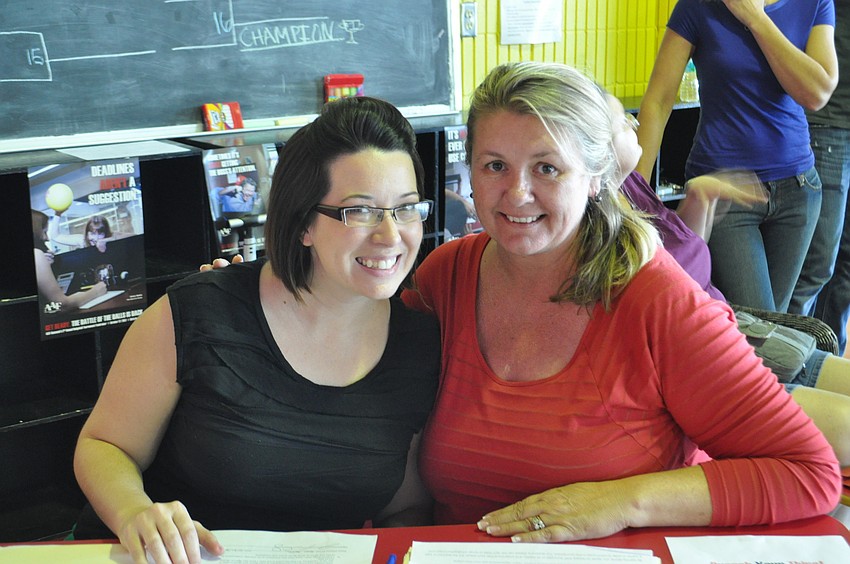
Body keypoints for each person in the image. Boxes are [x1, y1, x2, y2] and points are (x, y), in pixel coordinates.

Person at [401, 61, 840, 543]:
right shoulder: (444, 277)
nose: (517, 193)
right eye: (495, 166)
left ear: (596, 178)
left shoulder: (656, 298)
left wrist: (621, 501)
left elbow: (808, 472)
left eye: (547, 168)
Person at [73, 96, 440, 564]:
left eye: (406, 209)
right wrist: (135, 512)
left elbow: (403, 507)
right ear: (304, 224)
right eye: (360, 211)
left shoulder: (418, 346)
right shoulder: (199, 311)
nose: (390, 236)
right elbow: (104, 445)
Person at [608, 92, 850, 466]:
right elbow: (664, 296)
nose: (635, 122)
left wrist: (701, 199)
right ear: (595, 141)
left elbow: (684, 259)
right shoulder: (602, 219)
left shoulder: (632, 185)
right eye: (622, 120)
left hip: (733, 327)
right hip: (708, 351)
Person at [636, 0, 838, 312]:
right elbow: (658, 101)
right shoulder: (699, 5)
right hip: (723, 190)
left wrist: (756, 18)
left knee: (774, 326)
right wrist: (635, 195)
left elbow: (817, 92)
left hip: (798, 189)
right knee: (755, 326)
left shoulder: (815, 2)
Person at [790, 1, 850, 355]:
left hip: (837, 124)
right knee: (814, 266)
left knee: (845, 267)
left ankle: (827, 364)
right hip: (826, 123)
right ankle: (788, 367)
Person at [32, 209, 107, 312]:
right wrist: (96, 291)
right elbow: (62, 305)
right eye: (44, 232)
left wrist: (44, 266)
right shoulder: (36, 254)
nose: (47, 238)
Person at [49, 213, 132, 253]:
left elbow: (135, 237)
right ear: (87, 233)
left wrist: (108, 240)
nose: (96, 238)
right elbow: (55, 236)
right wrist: (57, 214)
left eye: (100, 234)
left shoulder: (112, 236)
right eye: (92, 233)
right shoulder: (82, 240)